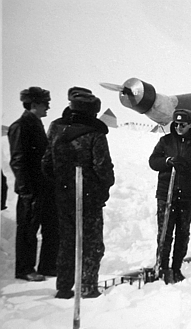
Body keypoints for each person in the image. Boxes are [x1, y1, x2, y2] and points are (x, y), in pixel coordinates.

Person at [42, 87, 115, 299]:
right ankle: (87, 286)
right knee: (92, 244)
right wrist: (104, 188)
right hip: (89, 198)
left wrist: (60, 184)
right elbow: (103, 167)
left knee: (66, 242)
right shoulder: (94, 133)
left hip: (63, 196)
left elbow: (46, 163)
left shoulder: (56, 127)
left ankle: (64, 287)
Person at [149, 109, 191, 283]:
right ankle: (161, 267)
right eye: (176, 124)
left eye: (182, 125)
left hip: (187, 195)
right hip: (165, 194)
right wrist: (167, 161)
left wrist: (187, 165)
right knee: (165, 232)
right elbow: (153, 161)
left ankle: (176, 268)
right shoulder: (165, 141)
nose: (178, 127)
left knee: (182, 233)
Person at [8, 87, 60, 281]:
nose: (48, 107)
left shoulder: (35, 124)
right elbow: (18, 160)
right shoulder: (21, 126)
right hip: (31, 189)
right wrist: (25, 191)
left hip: (43, 188)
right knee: (28, 230)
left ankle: (47, 266)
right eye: (45, 103)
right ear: (34, 104)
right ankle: (25, 269)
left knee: (50, 227)